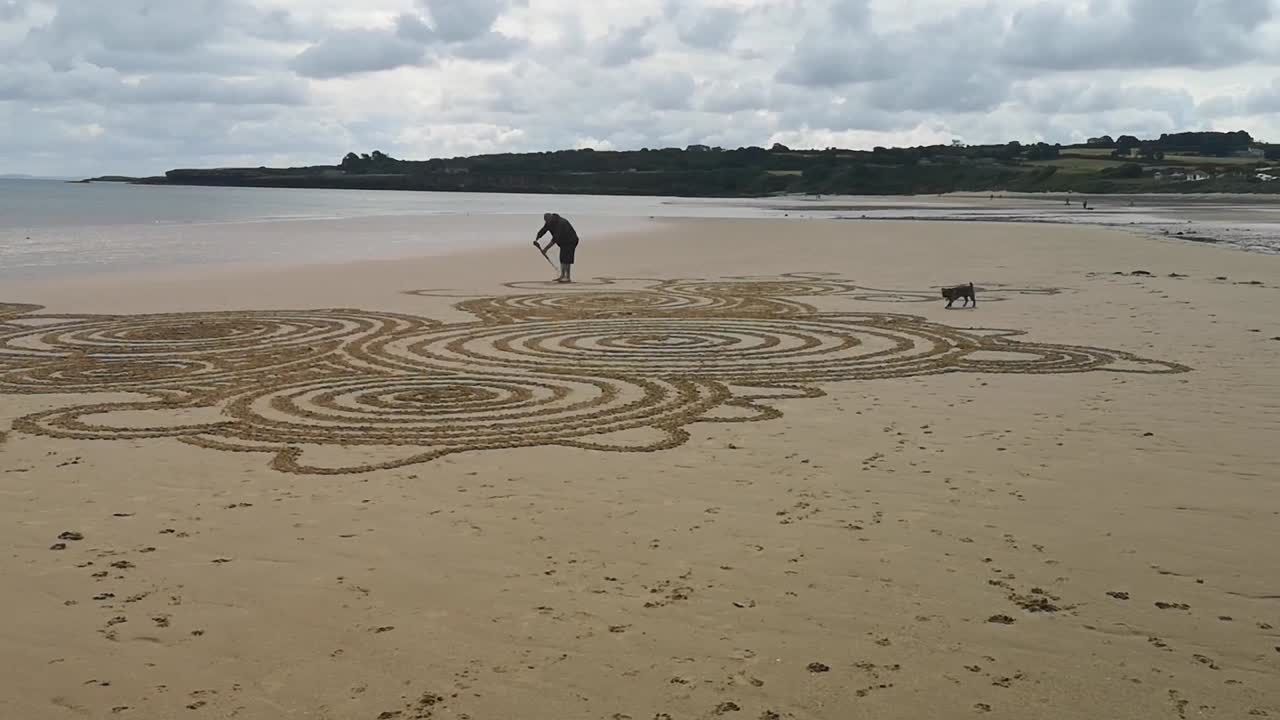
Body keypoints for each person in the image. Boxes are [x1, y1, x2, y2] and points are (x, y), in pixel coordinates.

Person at [533, 212, 580, 283]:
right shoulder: (549, 222)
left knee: (567, 259)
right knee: (562, 257)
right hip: (563, 241)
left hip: (571, 240)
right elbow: (544, 230)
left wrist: (546, 249)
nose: (547, 222)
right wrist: (537, 238)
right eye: (545, 221)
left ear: (551, 218)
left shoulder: (560, 223)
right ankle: (562, 276)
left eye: (547, 221)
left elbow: (555, 239)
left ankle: (567, 277)